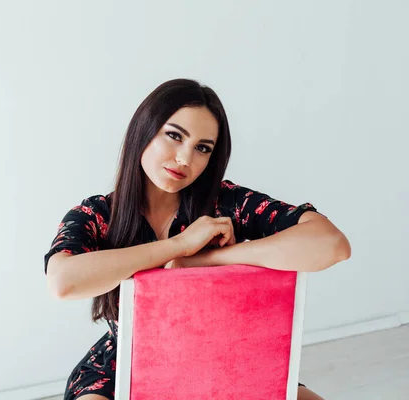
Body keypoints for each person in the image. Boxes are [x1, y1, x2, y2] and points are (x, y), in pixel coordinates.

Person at [44, 78, 351, 400]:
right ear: (144, 131)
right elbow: (63, 282)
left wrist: (204, 260)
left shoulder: (224, 204)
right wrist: (179, 245)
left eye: (202, 148)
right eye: (174, 136)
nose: (184, 159)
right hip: (122, 367)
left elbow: (331, 245)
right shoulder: (98, 214)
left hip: (223, 362)